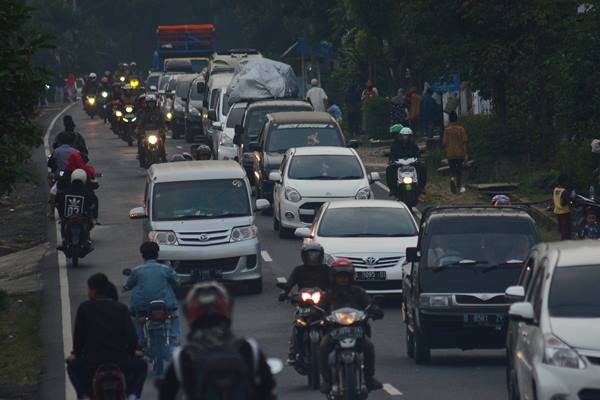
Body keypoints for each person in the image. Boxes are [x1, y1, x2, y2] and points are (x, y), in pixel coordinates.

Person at [158, 282, 277, 400]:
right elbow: (268, 387)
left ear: (189, 313)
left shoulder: (183, 356)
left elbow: (166, 393)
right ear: (227, 309)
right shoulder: (248, 349)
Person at [67, 273, 147, 400]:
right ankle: (133, 395)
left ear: (93, 291)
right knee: (142, 366)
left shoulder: (84, 308)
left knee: (72, 367)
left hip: (92, 362)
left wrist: (75, 353)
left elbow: (79, 337)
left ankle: (84, 396)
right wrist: (132, 352)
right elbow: (132, 336)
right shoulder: (121, 308)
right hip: (120, 361)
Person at [319, 259, 383, 394]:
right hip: (335, 331)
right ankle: (327, 380)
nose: (343, 279)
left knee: (368, 346)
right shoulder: (329, 294)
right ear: (334, 277)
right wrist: (317, 314)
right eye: (340, 277)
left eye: (345, 277)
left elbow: (369, 304)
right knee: (323, 346)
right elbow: (320, 309)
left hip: (357, 331)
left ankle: (369, 377)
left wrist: (375, 310)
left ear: (351, 277)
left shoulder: (358, 292)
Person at [277, 243, 331, 364]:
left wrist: (331, 294)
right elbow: (289, 284)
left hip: (322, 305)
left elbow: (334, 285)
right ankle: (292, 353)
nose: (312, 258)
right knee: (296, 326)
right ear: (304, 256)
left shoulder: (326, 270)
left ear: (320, 256)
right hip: (304, 305)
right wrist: (284, 292)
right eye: (310, 255)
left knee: (332, 323)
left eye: (315, 255)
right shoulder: (298, 270)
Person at [124, 242, 181, 350]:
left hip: (142, 306)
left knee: (134, 317)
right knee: (174, 313)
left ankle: (140, 341)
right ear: (157, 254)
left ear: (142, 255)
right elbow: (177, 282)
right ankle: (174, 336)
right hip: (166, 305)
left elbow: (128, 285)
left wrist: (125, 288)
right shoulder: (166, 269)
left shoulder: (136, 271)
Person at [386, 125, 423, 195]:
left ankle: (421, 187)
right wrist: (391, 161)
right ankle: (392, 189)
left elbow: (418, 154)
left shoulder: (413, 145)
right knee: (389, 169)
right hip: (399, 164)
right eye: (403, 135)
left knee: (422, 167)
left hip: (412, 164)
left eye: (407, 136)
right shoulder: (395, 145)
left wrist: (419, 159)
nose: (405, 137)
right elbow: (392, 155)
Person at [137, 94, 167, 165]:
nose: (151, 104)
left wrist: (164, 128)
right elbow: (140, 122)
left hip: (156, 132)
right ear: (147, 103)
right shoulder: (143, 112)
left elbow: (162, 121)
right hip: (146, 132)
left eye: (152, 103)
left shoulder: (159, 112)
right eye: (149, 103)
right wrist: (138, 129)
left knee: (162, 140)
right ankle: (142, 157)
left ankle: (163, 155)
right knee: (141, 142)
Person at [443, 111, 468, 194]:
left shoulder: (447, 130)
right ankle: (458, 186)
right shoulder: (461, 129)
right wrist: (465, 154)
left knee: (453, 169)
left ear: (450, 120)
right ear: (457, 119)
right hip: (460, 153)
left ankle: (452, 179)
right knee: (459, 170)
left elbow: (444, 143)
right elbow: (464, 142)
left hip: (450, 154)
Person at [553, 174, 572, 240]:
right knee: (566, 230)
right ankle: (565, 243)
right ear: (564, 182)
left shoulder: (555, 190)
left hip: (557, 212)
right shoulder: (564, 191)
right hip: (565, 212)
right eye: (567, 181)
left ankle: (562, 240)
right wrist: (571, 202)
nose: (568, 183)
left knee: (562, 230)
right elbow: (565, 202)